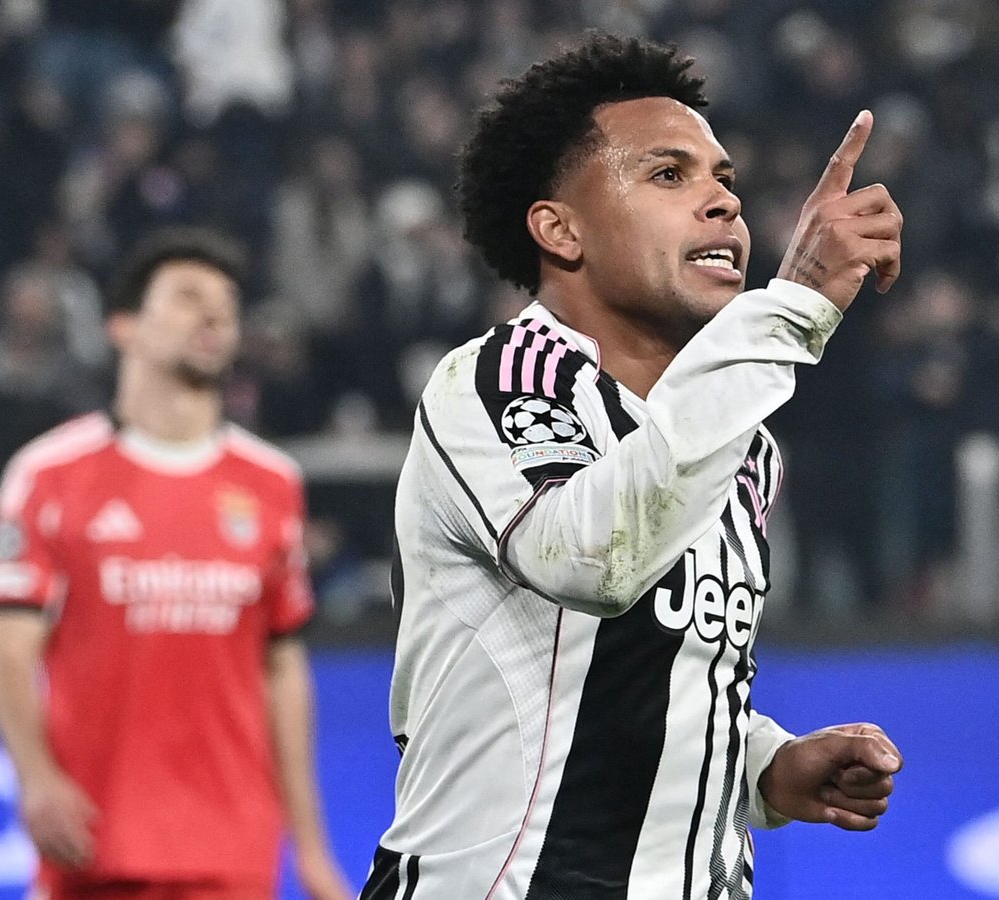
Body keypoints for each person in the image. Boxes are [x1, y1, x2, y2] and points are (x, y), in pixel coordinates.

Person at [361, 33, 904, 899]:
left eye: (724, 178)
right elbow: (593, 560)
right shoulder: (499, 381)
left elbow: (650, 677)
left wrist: (766, 766)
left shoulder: (742, 441)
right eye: (668, 175)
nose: (723, 202)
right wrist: (793, 305)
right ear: (560, 229)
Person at [0, 228, 352, 900]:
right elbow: (9, 647)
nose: (214, 315)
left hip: (231, 849)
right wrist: (36, 778)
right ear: (123, 326)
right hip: (92, 844)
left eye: (227, 305)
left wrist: (313, 848)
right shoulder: (49, 475)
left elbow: (283, 667)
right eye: (187, 297)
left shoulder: (272, 482)